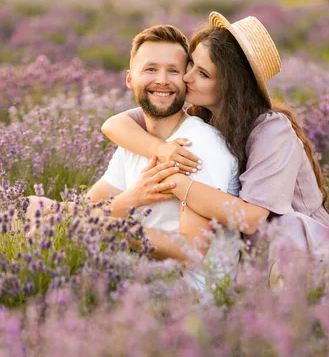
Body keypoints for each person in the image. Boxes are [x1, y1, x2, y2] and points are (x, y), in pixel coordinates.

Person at [102, 12, 329, 284]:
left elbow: (252, 218)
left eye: (202, 74)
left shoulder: (272, 130)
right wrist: (161, 150)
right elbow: (116, 124)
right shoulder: (202, 115)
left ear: (229, 85)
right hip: (247, 250)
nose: (186, 78)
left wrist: (173, 180)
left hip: (300, 247)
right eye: (190, 66)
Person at [25, 24, 240, 289]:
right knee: (32, 208)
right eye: (151, 69)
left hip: (184, 294)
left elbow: (191, 250)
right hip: (136, 272)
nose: (162, 79)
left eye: (173, 70)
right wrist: (130, 199)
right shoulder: (135, 143)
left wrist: (111, 227)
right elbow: (89, 207)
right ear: (130, 79)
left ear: (185, 80)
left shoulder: (198, 146)